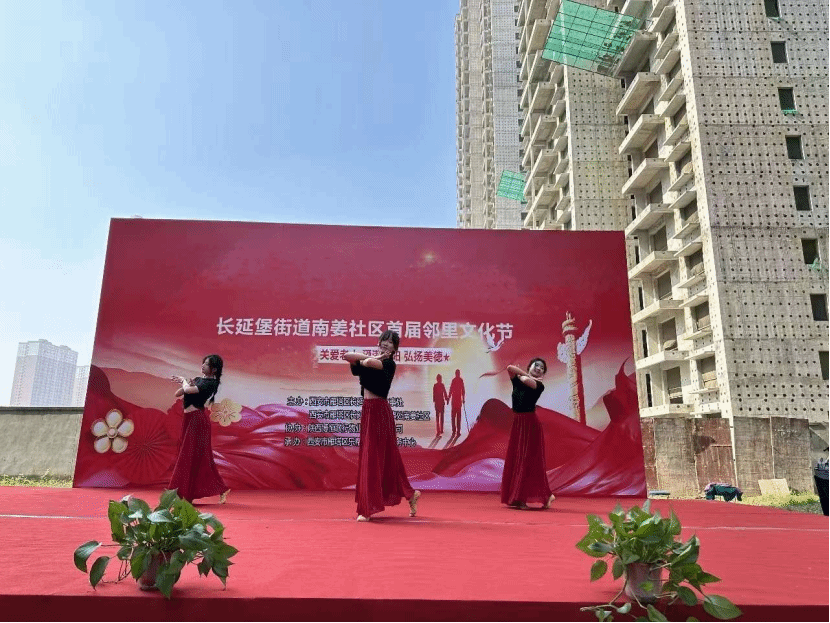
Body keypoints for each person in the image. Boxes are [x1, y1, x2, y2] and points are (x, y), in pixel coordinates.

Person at [344, 330, 421, 521]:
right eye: (383, 340)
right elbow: (348, 356)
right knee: (381, 458)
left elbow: (369, 363)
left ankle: (367, 509)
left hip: (380, 412)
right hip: (368, 411)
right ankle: (411, 494)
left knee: (375, 458)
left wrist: (371, 359)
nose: (386, 344)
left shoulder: (388, 364)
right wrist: (370, 357)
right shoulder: (372, 359)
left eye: (390, 342)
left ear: (395, 348)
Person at [168, 354, 230, 504]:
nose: (203, 366)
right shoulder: (197, 380)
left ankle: (182, 494)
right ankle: (191, 493)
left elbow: (188, 391)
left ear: (214, 369)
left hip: (198, 421)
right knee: (193, 457)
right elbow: (178, 393)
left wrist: (184, 381)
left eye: (206, 364)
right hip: (189, 420)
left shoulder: (211, 383)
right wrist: (186, 384)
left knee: (191, 457)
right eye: (203, 363)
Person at [500, 358, 555, 510]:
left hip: (530, 425)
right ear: (529, 366)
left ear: (543, 373)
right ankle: (522, 497)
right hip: (518, 424)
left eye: (541, 368)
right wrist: (521, 373)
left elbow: (525, 379)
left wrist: (524, 374)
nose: (538, 368)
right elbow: (509, 367)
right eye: (536, 365)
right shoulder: (517, 381)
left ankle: (524, 498)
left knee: (527, 462)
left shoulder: (539, 385)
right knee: (517, 460)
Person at [447, 369, 466, 437]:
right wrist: (463, 399)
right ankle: (456, 431)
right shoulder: (459, 380)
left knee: (455, 416)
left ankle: (455, 431)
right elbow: (462, 390)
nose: (458, 374)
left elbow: (451, 390)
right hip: (457, 401)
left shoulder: (455, 380)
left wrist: (449, 398)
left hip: (456, 401)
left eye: (458, 373)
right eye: (458, 373)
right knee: (457, 417)